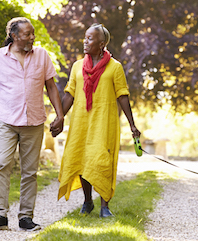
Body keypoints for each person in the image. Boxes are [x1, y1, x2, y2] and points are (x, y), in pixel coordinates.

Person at [0, 17, 64, 231]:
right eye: (27, 34)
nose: (32, 37)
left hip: (34, 121)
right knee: (2, 163)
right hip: (7, 120)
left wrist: (60, 115)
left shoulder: (41, 55)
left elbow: (51, 86)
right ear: (14, 36)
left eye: (33, 33)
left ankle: (25, 217)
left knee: (30, 171)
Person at [50, 23, 141, 218]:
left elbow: (123, 96)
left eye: (90, 39)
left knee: (101, 160)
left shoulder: (114, 67)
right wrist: (60, 117)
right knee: (83, 160)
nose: (85, 41)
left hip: (104, 122)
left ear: (101, 44)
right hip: (81, 122)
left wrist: (132, 125)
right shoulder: (77, 67)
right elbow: (69, 95)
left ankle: (104, 205)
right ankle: (88, 201)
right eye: (85, 37)